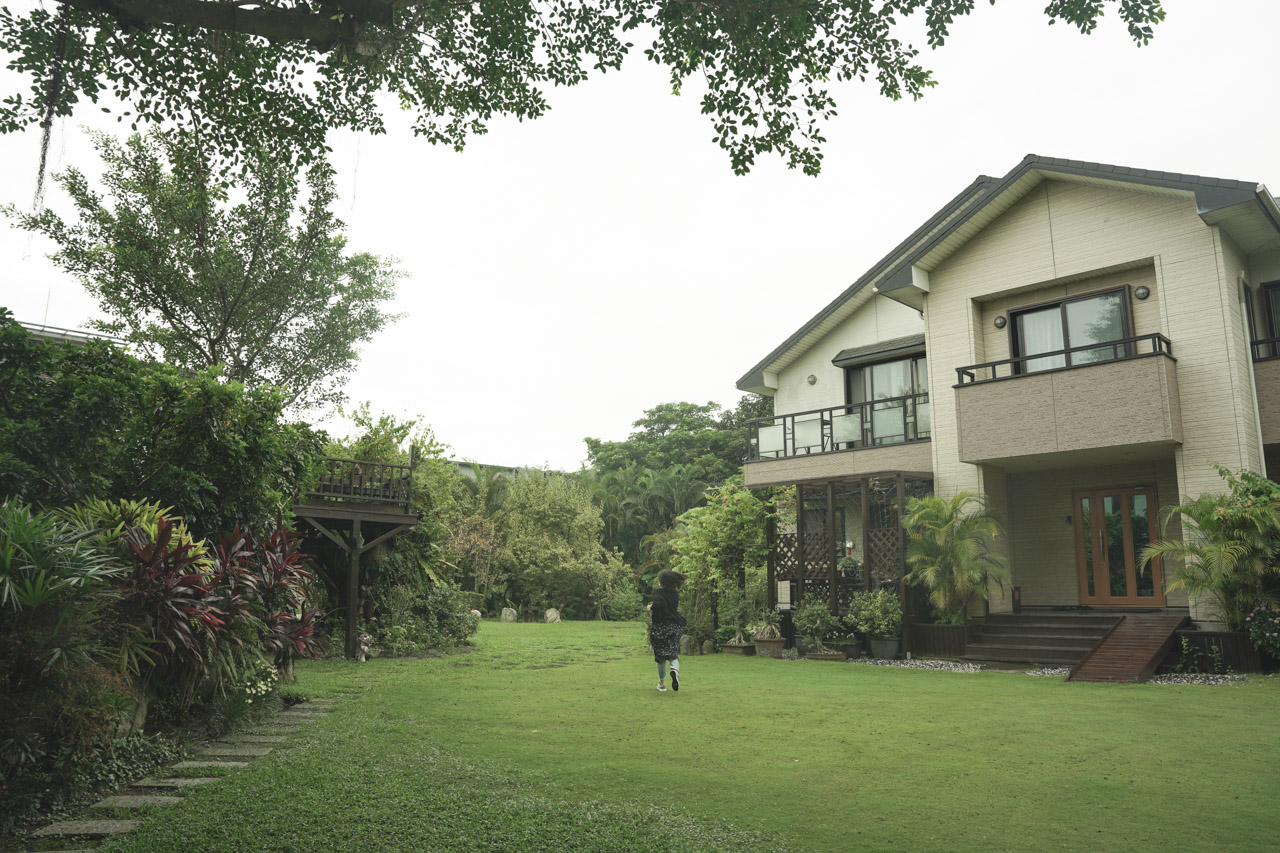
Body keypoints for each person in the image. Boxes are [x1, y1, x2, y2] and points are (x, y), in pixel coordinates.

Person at [649, 569, 686, 692]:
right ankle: (674, 670)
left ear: (662, 582)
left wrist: (651, 607)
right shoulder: (675, 594)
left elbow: (659, 603)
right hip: (674, 626)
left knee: (660, 656)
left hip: (660, 627)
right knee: (672, 653)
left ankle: (662, 683)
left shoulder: (656, 592)